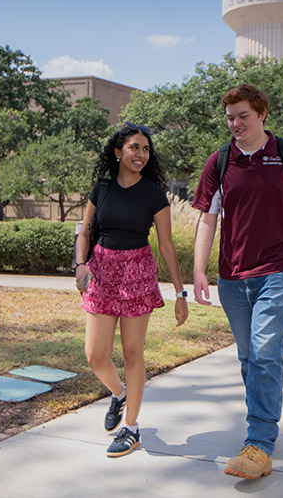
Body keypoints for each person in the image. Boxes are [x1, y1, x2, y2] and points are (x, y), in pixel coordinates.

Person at [192, 83, 283, 479]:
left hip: (278, 269)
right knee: (250, 357)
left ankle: (260, 443)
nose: (235, 124)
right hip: (233, 276)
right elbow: (207, 219)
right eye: (230, 117)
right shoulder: (219, 162)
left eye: (243, 116)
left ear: (262, 113)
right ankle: (261, 428)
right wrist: (200, 270)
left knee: (265, 354)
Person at [74, 123, 190, 458]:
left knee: (132, 352)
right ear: (117, 152)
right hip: (101, 270)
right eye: (134, 147)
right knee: (95, 354)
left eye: (145, 149)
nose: (140, 154)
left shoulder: (154, 194)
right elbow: (85, 231)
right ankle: (118, 392)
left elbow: (166, 247)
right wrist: (80, 264)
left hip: (137, 272)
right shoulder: (102, 188)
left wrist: (180, 296)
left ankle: (132, 427)